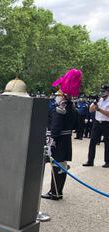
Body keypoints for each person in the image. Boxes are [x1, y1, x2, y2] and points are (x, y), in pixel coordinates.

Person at [42, 69, 81, 200]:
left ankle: (54, 192)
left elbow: (56, 126)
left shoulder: (60, 106)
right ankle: (58, 191)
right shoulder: (71, 106)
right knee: (61, 167)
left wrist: (51, 141)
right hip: (66, 139)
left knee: (57, 166)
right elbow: (76, 125)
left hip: (57, 139)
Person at [83, 85, 109, 168]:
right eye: (101, 91)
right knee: (92, 142)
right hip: (97, 123)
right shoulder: (98, 100)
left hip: (106, 124)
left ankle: (107, 162)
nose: (101, 93)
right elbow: (90, 110)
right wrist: (95, 103)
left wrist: (99, 110)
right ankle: (90, 161)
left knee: (107, 143)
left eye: (103, 91)